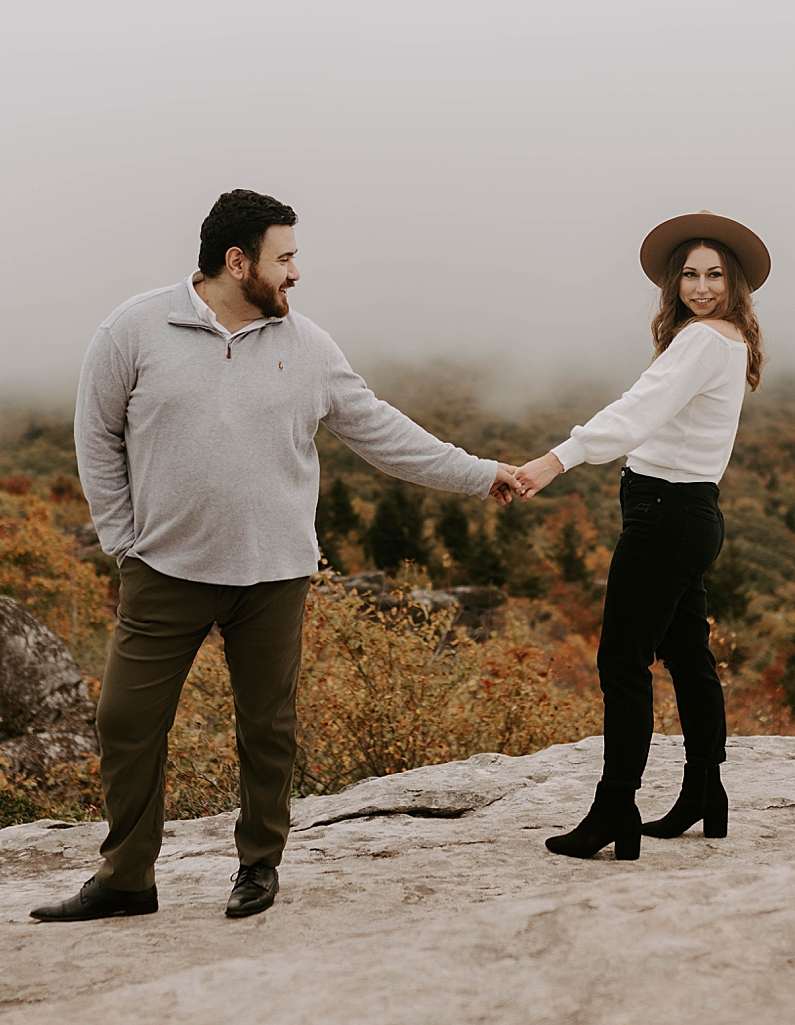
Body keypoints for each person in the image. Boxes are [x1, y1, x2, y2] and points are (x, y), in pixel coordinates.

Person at [34, 189, 521, 922]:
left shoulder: (309, 346)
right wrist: (122, 541)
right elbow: (96, 435)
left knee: (268, 730)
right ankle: (127, 878)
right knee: (126, 722)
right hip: (164, 571)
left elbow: (385, 434)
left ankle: (259, 866)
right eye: (284, 257)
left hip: (275, 576)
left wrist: (483, 474)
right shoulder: (132, 330)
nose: (296, 272)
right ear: (238, 263)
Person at [512, 211, 769, 860]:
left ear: (733, 281)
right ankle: (705, 793)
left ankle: (614, 810)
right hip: (693, 516)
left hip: (664, 515)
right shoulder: (731, 338)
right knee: (687, 657)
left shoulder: (703, 341)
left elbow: (637, 411)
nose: (701, 287)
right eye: (690, 274)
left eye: (714, 275)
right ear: (674, 281)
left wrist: (554, 460)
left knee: (621, 662)